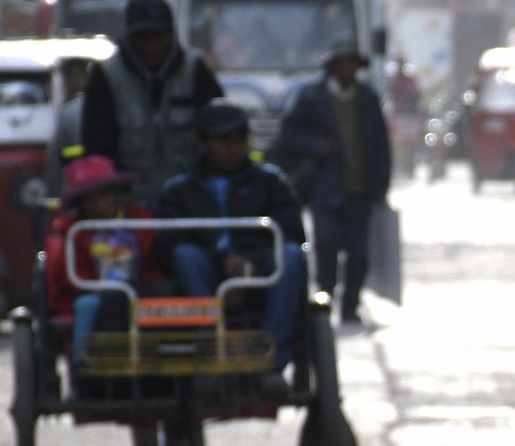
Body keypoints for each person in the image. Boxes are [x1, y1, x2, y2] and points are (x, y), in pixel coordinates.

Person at [155, 102, 309, 369]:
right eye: (223, 140)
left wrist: (249, 266)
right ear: (203, 144)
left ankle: (270, 358)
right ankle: (210, 351)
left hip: (260, 276)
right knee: (184, 254)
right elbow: (167, 243)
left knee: (292, 255)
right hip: (204, 281)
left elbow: (292, 231)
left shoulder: (270, 183)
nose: (234, 148)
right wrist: (221, 262)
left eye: (240, 139)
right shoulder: (179, 190)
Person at [277, 39, 394, 325]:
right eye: (343, 64)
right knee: (326, 246)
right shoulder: (311, 98)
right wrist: (316, 145)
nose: (348, 70)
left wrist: (381, 182)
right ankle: (325, 300)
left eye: (352, 64)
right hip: (325, 188)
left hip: (361, 189)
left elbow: (381, 144)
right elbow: (287, 136)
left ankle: (350, 306)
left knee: (359, 254)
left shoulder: (366, 98)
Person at [81, 0, 223, 211]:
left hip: (192, 202)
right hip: (128, 205)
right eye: (141, 37)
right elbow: (97, 145)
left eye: (156, 36)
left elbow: (218, 132)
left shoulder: (195, 70)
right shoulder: (107, 76)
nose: (149, 46)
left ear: (171, 34)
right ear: (128, 36)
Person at [41, 154, 163, 368]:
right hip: (91, 293)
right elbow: (66, 278)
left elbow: (156, 263)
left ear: (117, 195)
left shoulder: (142, 223)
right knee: (87, 305)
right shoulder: (72, 232)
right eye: (90, 199)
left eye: (104, 195)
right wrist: (93, 288)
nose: (99, 204)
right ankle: (83, 367)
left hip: (140, 290)